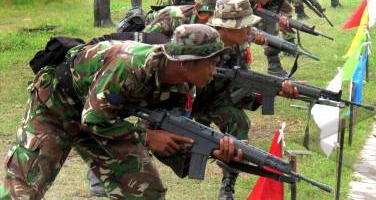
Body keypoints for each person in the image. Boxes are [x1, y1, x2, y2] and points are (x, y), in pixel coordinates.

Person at [0, 24, 244, 199]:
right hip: (57, 107)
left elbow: (170, 141)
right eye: (211, 63)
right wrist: (148, 138)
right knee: (21, 191)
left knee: (145, 191)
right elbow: (93, 119)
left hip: (107, 117)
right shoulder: (130, 66)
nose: (215, 71)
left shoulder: (184, 86)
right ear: (186, 63)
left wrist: (212, 151)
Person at [192, 0, 299, 199]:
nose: (250, 31)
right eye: (245, 26)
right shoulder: (200, 42)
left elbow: (241, 88)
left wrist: (270, 91)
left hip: (215, 99)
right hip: (186, 99)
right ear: (227, 28)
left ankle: (228, 186)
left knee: (240, 123)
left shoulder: (239, 47)